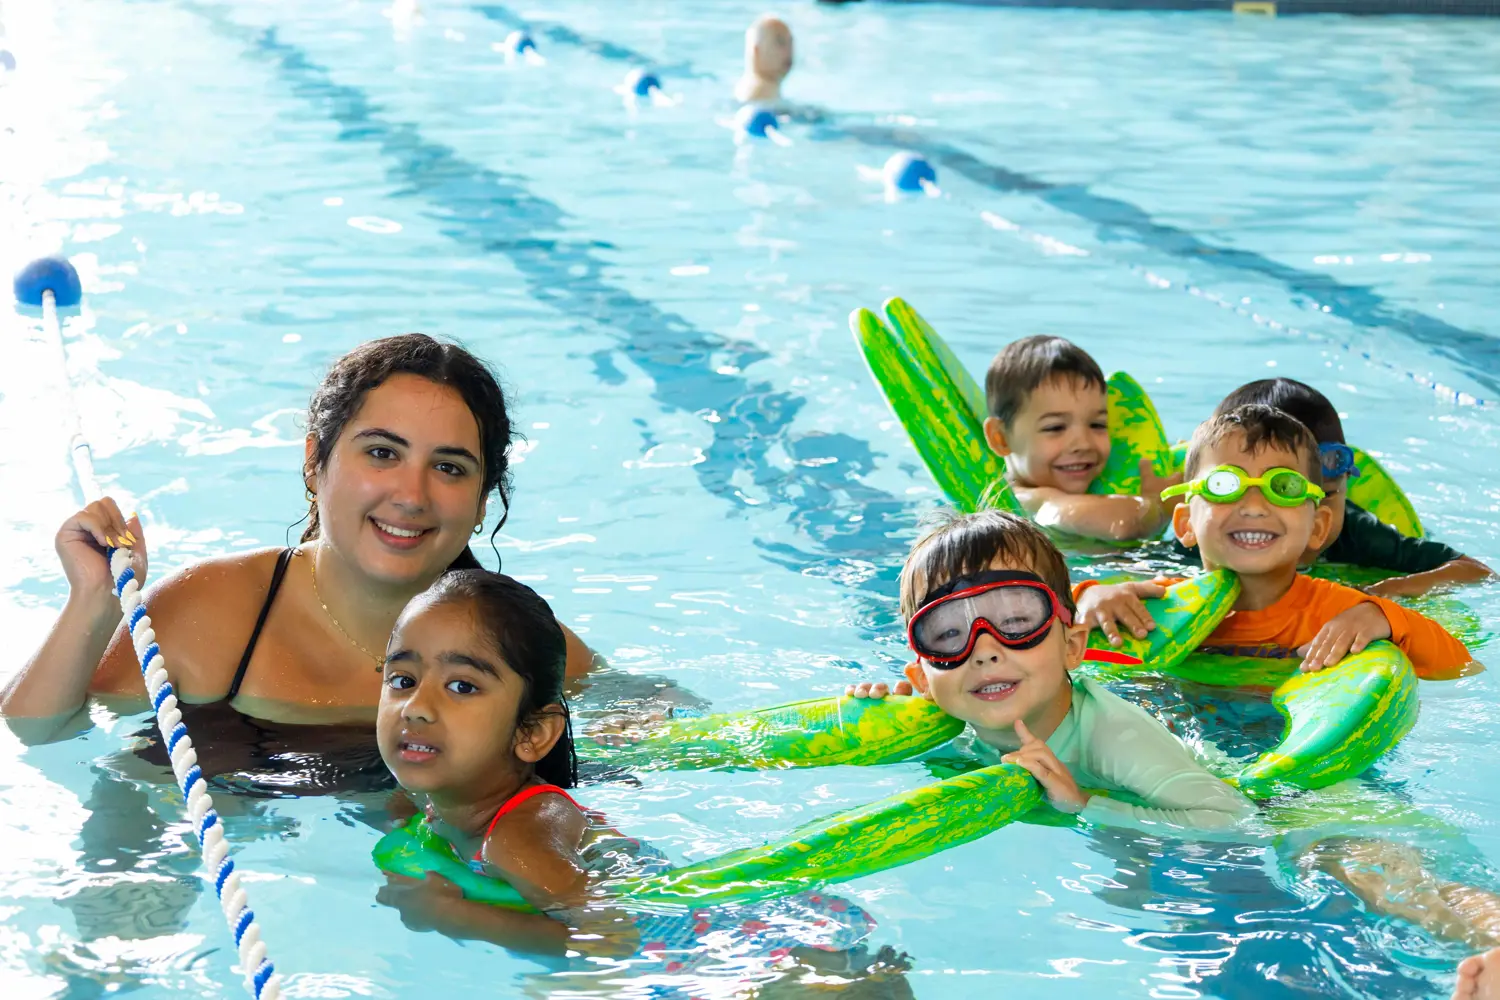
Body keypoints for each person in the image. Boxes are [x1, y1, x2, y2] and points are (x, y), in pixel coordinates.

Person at [1, 333, 596, 741]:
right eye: (382, 453)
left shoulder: (519, 647)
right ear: (316, 462)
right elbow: (34, 733)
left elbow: (654, 729)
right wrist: (93, 603)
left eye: (448, 467)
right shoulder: (216, 616)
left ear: (481, 498)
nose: (412, 495)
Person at [375, 570, 905, 991]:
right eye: (402, 680)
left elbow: (608, 935)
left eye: (462, 686)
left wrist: (455, 917)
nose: (417, 707)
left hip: (714, 955)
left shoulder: (517, 837)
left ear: (533, 734)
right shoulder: (430, 798)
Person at [848, 507, 1253, 830]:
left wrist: (1082, 805)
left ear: (1072, 647)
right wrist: (892, 727)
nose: (984, 650)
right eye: (948, 633)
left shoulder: (1114, 736)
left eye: (1016, 621)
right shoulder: (946, 706)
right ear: (924, 679)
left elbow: (1234, 820)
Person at [1077, 404, 1477, 679]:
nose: (1253, 505)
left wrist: (1387, 619)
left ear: (1318, 527)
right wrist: (1089, 598)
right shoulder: (1154, 606)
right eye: (1224, 485)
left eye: (1282, 487)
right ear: (1185, 524)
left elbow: (1460, 666)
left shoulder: (1339, 612)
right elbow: (1053, 638)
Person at [1170, 378, 1493, 598]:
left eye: (1326, 497)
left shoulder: (1357, 532)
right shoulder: (1208, 537)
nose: (1257, 510)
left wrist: (1386, 591)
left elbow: (1473, 571)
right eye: (1236, 486)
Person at [982, 336, 1179, 543]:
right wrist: (1160, 505)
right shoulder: (1026, 501)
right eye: (1055, 427)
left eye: (1097, 425)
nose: (1083, 444)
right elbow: (1121, 524)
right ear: (1001, 438)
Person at [734, 15, 793, 106]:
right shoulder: (759, 92)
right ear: (756, 51)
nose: (789, 51)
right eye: (780, 42)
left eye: (790, 43)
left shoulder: (762, 89)